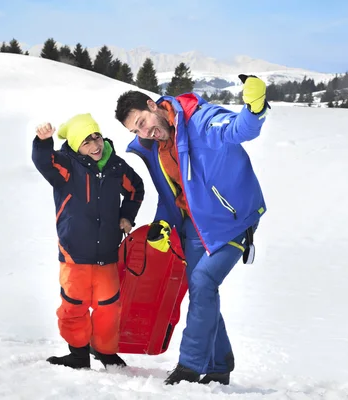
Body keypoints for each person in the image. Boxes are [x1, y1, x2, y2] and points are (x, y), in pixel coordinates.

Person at [114, 75, 269, 385]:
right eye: (136, 130)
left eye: (143, 122)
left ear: (152, 104)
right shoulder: (154, 148)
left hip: (232, 221)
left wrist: (255, 108)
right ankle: (219, 363)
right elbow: (170, 195)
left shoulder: (200, 120)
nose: (145, 132)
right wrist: (163, 224)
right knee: (202, 291)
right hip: (193, 226)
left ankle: (189, 367)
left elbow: (240, 129)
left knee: (203, 281)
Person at [32, 113, 144, 370]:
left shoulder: (116, 167)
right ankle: (78, 352)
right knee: (74, 305)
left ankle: (104, 350)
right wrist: (42, 141)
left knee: (109, 306)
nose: (95, 145)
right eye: (86, 142)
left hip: (107, 251)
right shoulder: (66, 167)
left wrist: (127, 215)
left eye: (97, 137)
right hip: (74, 252)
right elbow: (44, 162)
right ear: (75, 146)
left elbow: (135, 188)